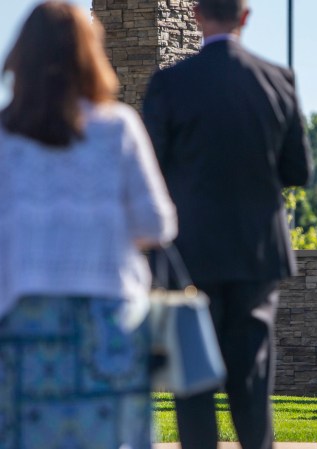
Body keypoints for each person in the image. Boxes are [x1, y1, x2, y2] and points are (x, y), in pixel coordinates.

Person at [0, 2, 177, 448]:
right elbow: (157, 224)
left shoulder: (5, 134)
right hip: (108, 323)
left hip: (22, 321)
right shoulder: (118, 128)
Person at [142, 0, 313, 446]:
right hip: (257, 251)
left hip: (191, 253)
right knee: (252, 378)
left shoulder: (170, 83)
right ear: (245, 17)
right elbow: (298, 171)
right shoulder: (278, 79)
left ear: (196, 15)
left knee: (193, 379)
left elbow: (150, 170)